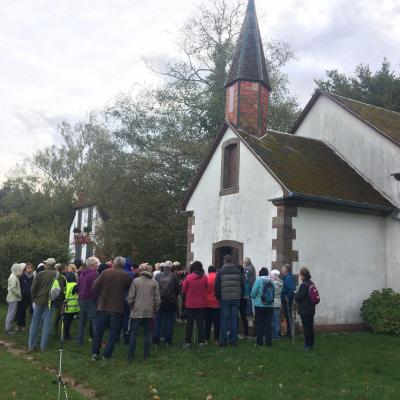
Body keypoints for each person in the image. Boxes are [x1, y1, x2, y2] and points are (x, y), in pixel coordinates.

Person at [91, 256, 132, 360]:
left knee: (99, 331)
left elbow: (94, 286)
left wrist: (102, 294)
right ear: (123, 265)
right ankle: (107, 354)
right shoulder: (125, 276)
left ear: (114, 263)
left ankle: (95, 353)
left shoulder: (105, 273)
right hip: (117, 307)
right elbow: (130, 290)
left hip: (103, 306)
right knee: (113, 333)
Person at [127, 264, 161, 362]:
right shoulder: (154, 282)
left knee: (134, 334)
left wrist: (132, 307)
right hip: (149, 312)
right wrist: (155, 310)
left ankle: (130, 356)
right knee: (147, 334)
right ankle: (146, 355)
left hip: (137, 311)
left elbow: (130, 298)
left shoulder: (135, 281)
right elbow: (157, 299)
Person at [28, 258, 59, 351]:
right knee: (46, 325)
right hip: (50, 302)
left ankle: (31, 345)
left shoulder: (40, 274)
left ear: (47, 265)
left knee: (34, 323)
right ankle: (43, 347)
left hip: (38, 301)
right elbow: (59, 290)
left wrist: (33, 298)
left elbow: (33, 288)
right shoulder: (57, 275)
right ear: (54, 265)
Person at [214, 254, 244, 347]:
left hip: (225, 299)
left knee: (224, 320)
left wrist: (219, 297)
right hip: (236, 298)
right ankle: (233, 341)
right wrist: (240, 296)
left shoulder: (220, 271)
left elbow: (217, 287)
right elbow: (242, 285)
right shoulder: (238, 271)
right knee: (234, 320)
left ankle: (223, 341)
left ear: (224, 261)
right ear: (232, 261)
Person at [152, 260, 181, 346]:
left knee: (158, 320)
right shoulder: (174, 276)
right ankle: (168, 340)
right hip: (171, 302)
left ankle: (155, 340)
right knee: (169, 321)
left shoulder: (157, 276)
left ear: (164, 267)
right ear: (172, 268)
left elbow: (154, 288)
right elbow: (178, 290)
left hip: (160, 301)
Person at [182, 261, 207, 348]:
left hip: (190, 304)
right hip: (201, 304)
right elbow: (206, 288)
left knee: (189, 324)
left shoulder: (188, 277)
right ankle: (201, 342)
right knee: (200, 324)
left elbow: (183, 290)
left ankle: (188, 342)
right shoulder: (204, 277)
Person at [77, 256, 99, 345]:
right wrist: (95, 299)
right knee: (94, 320)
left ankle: (79, 340)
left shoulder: (82, 273)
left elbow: (78, 286)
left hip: (81, 298)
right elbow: (94, 289)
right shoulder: (94, 274)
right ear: (93, 264)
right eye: (97, 264)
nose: (97, 265)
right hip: (90, 299)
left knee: (82, 321)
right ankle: (96, 342)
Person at [250, 267, 274, 346]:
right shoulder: (271, 281)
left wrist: (254, 297)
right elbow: (273, 292)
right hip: (270, 305)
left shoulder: (258, 280)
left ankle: (259, 342)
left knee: (259, 324)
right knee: (268, 324)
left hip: (259, 305)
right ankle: (268, 342)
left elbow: (253, 293)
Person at [295, 267, 316, 351]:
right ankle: (311, 344)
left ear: (303, 275)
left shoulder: (303, 285)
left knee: (306, 328)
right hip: (311, 309)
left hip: (305, 309)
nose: (300, 276)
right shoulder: (311, 283)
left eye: (300, 274)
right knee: (310, 327)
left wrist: (295, 295)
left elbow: (299, 297)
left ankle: (307, 345)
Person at [16, 263, 35, 331]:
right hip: (22, 296)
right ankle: (20, 325)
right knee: (21, 311)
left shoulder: (33, 277)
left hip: (30, 296)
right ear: (25, 269)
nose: (30, 269)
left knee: (31, 311)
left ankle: (26, 326)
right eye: (28, 268)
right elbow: (19, 287)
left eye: (31, 268)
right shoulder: (22, 276)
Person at [5, 263, 22, 334]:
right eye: (19, 269)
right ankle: (8, 330)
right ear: (16, 269)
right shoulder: (13, 277)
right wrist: (19, 294)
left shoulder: (14, 276)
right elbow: (12, 288)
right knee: (11, 314)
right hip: (13, 298)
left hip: (13, 298)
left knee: (11, 314)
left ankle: (9, 328)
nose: (20, 270)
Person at [204, 265, 220, 344]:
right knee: (217, 322)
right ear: (215, 271)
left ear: (208, 271)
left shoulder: (206, 278)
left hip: (207, 302)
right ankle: (216, 339)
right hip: (216, 302)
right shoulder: (218, 278)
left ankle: (206, 339)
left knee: (207, 322)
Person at [63, 272, 80, 340]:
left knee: (66, 321)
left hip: (65, 306)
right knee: (69, 322)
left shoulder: (66, 284)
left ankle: (65, 334)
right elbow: (78, 293)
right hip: (73, 307)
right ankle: (66, 335)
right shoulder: (75, 285)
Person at [281, 264, 296, 338]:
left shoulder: (288, 278)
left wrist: (288, 296)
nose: (282, 270)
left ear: (286, 270)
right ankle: (289, 333)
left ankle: (290, 333)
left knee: (288, 316)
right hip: (285, 299)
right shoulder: (286, 277)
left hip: (287, 300)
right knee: (287, 316)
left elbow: (293, 288)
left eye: (283, 269)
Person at [238, 265, 250, 339]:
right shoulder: (246, 277)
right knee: (244, 317)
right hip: (245, 298)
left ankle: (236, 332)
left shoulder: (239, 277)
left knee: (235, 316)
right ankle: (246, 333)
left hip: (239, 297)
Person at [270, 269, 283, 339]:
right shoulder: (281, 282)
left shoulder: (273, 283)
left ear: (275, 276)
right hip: (278, 302)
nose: (270, 276)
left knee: (272, 319)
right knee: (277, 318)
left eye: (271, 275)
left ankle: (273, 334)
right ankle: (277, 334)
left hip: (273, 302)